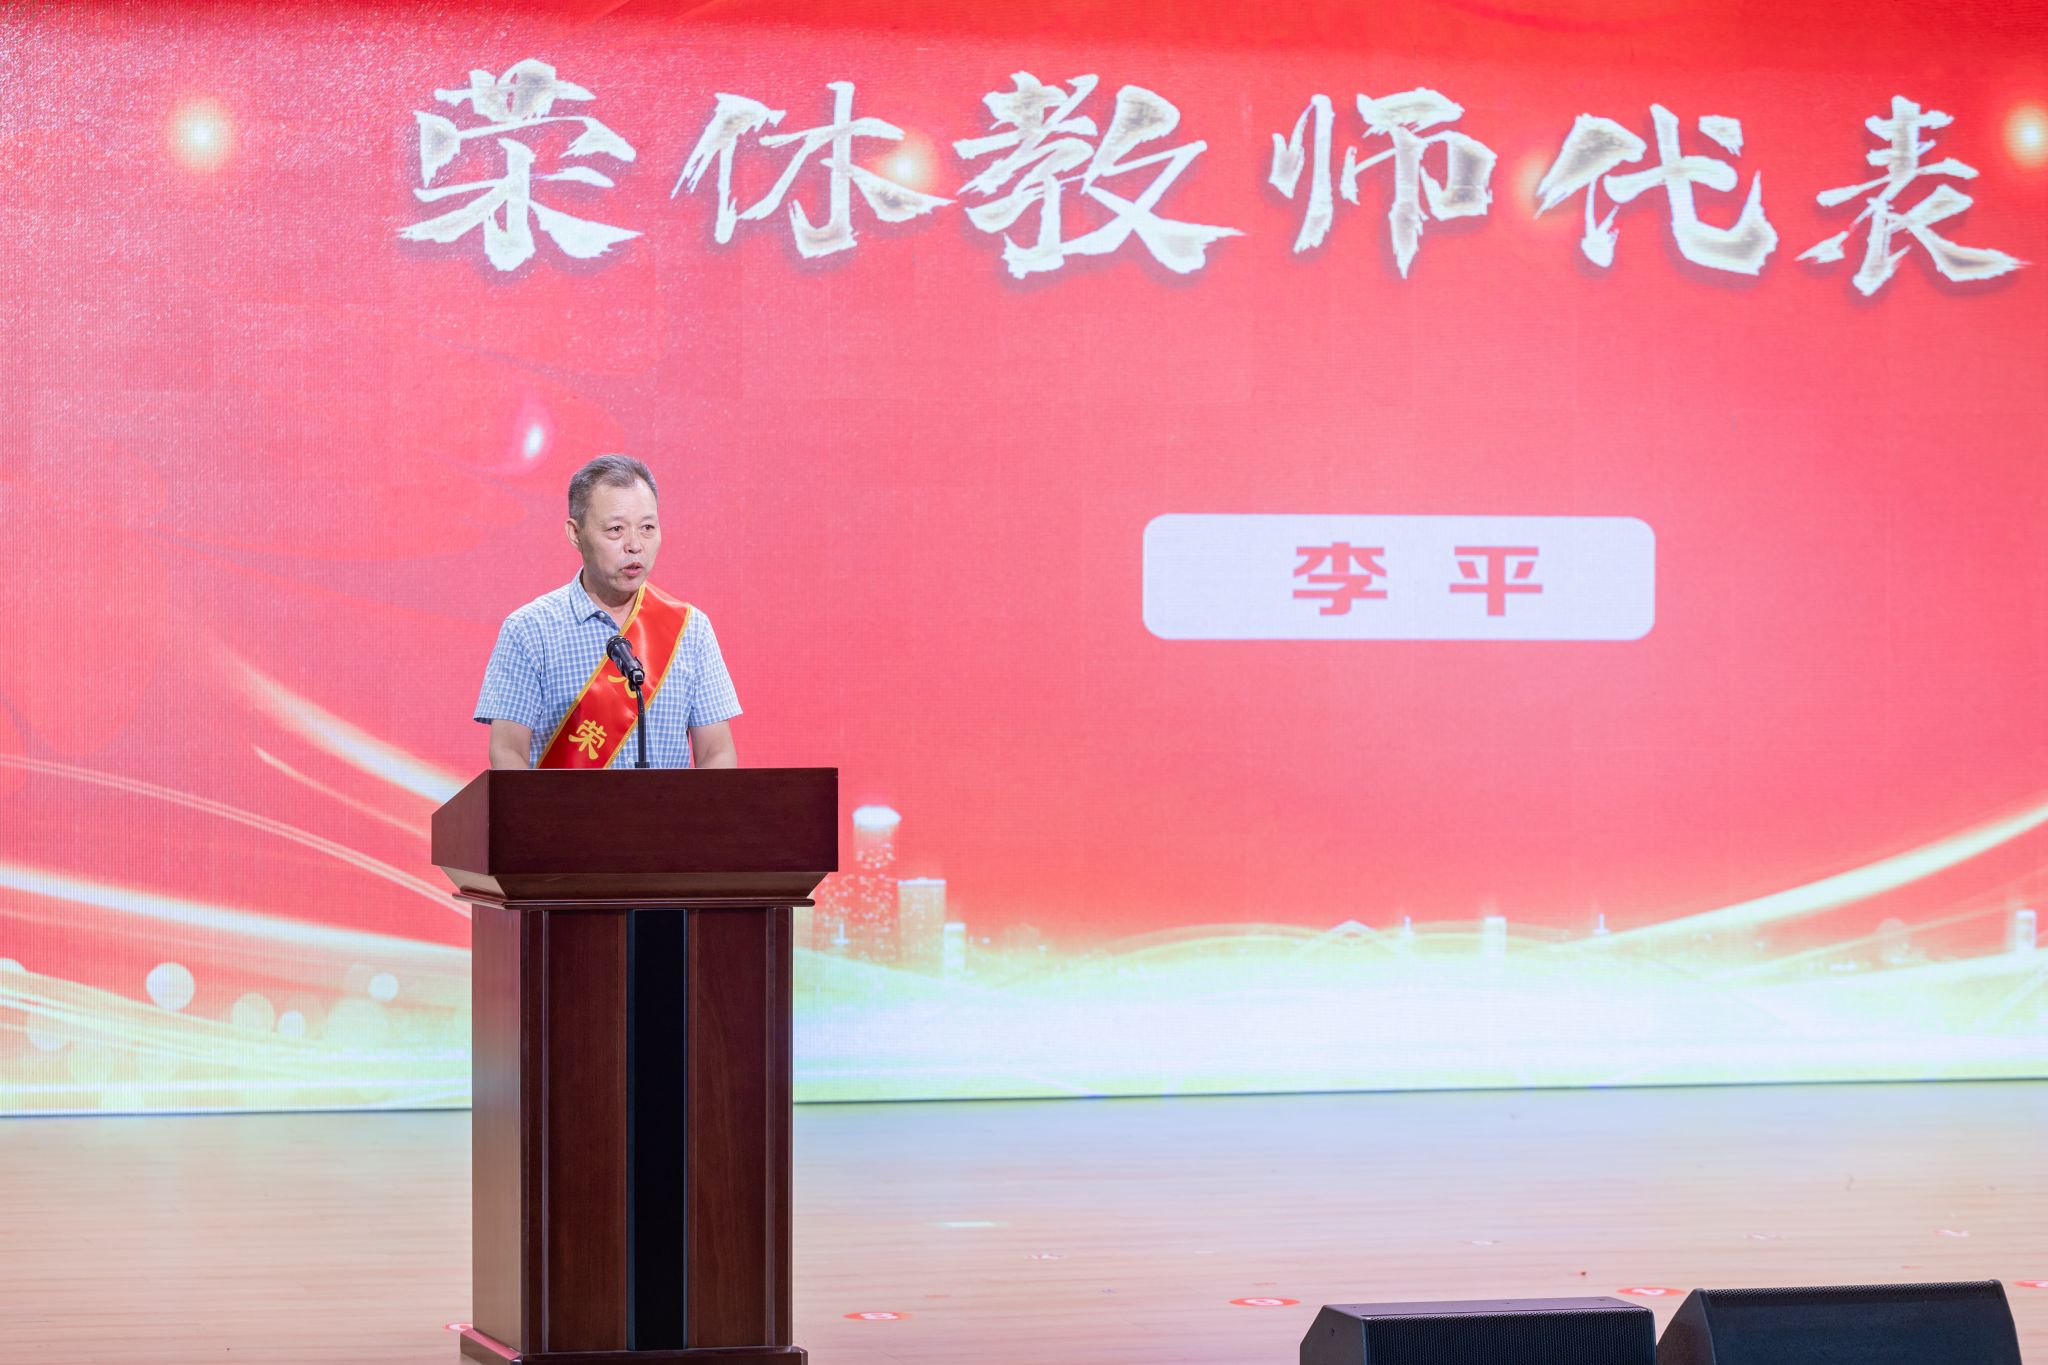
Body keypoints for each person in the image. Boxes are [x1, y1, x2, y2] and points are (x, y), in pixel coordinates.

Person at [474, 455, 740, 770]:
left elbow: (716, 753)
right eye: (616, 530)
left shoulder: (690, 629)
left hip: (666, 805)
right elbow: (507, 752)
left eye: (647, 528)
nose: (635, 545)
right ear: (576, 534)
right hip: (563, 805)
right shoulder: (529, 629)